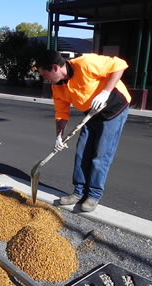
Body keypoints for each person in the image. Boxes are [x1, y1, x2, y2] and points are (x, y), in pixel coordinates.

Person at [36, 50, 131, 212]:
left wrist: (105, 92)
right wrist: (59, 136)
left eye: (45, 75)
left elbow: (119, 65)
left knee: (100, 155)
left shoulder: (85, 63)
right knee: (82, 153)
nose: (45, 79)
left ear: (55, 68)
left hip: (113, 110)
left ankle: (93, 195)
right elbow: (61, 113)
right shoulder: (57, 86)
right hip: (90, 113)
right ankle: (79, 192)